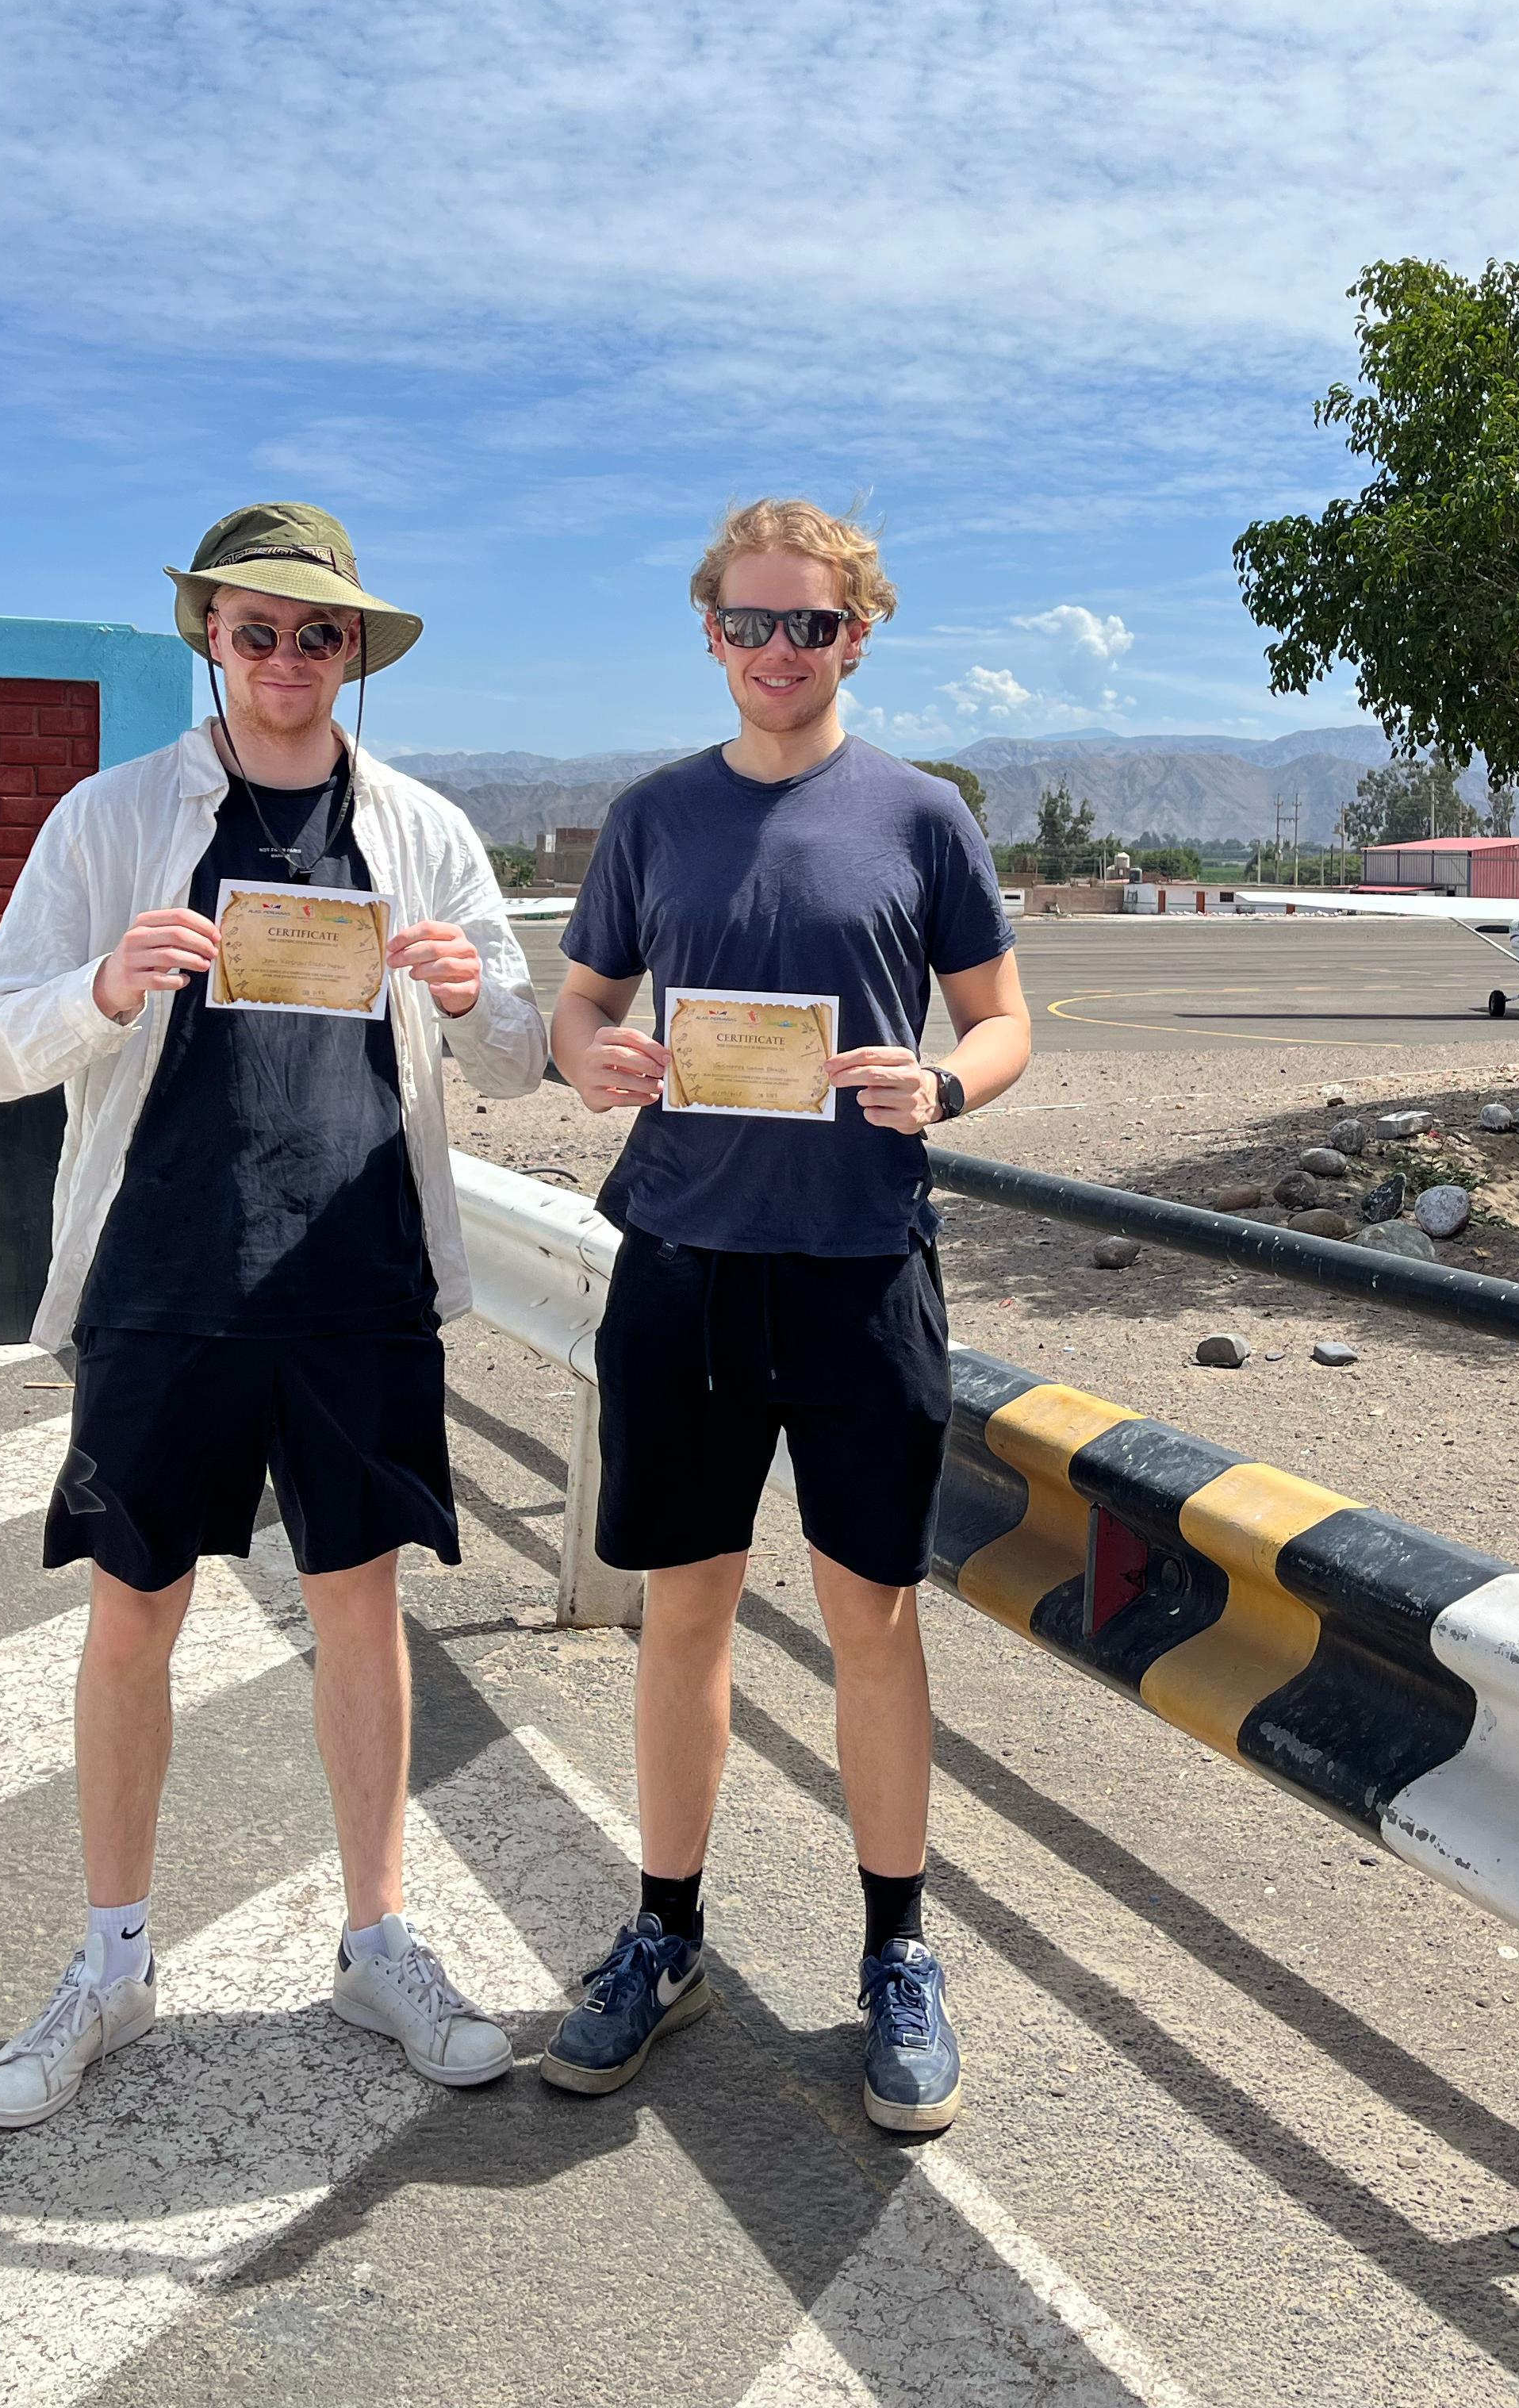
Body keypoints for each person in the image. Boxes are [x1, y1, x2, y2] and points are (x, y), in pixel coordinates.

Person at [0, 502, 547, 2128]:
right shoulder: (112, 820)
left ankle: (377, 1943)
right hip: (164, 1277)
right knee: (135, 1612)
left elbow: (514, 1052)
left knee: (360, 1611)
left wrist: (466, 993)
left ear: (355, 655)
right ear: (208, 638)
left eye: (319, 634)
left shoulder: (421, 831)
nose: (288, 659)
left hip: (357, 1284)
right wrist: (104, 986)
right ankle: (114, 1960)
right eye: (256, 629)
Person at [539, 498, 1030, 2133]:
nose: (774, 653)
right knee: (683, 1616)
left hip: (858, 1266)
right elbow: (585, 1002)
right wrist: (585, 1056)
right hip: (682, 1260)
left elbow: (1006, 1015)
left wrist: (946, 1082)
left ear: (858, 635)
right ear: (709, 633)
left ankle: (898, 1952)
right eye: (747, 625)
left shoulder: (923, 816)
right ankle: (665, 1933)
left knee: (871, 1619)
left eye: (807, 628)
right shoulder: (653, 817)